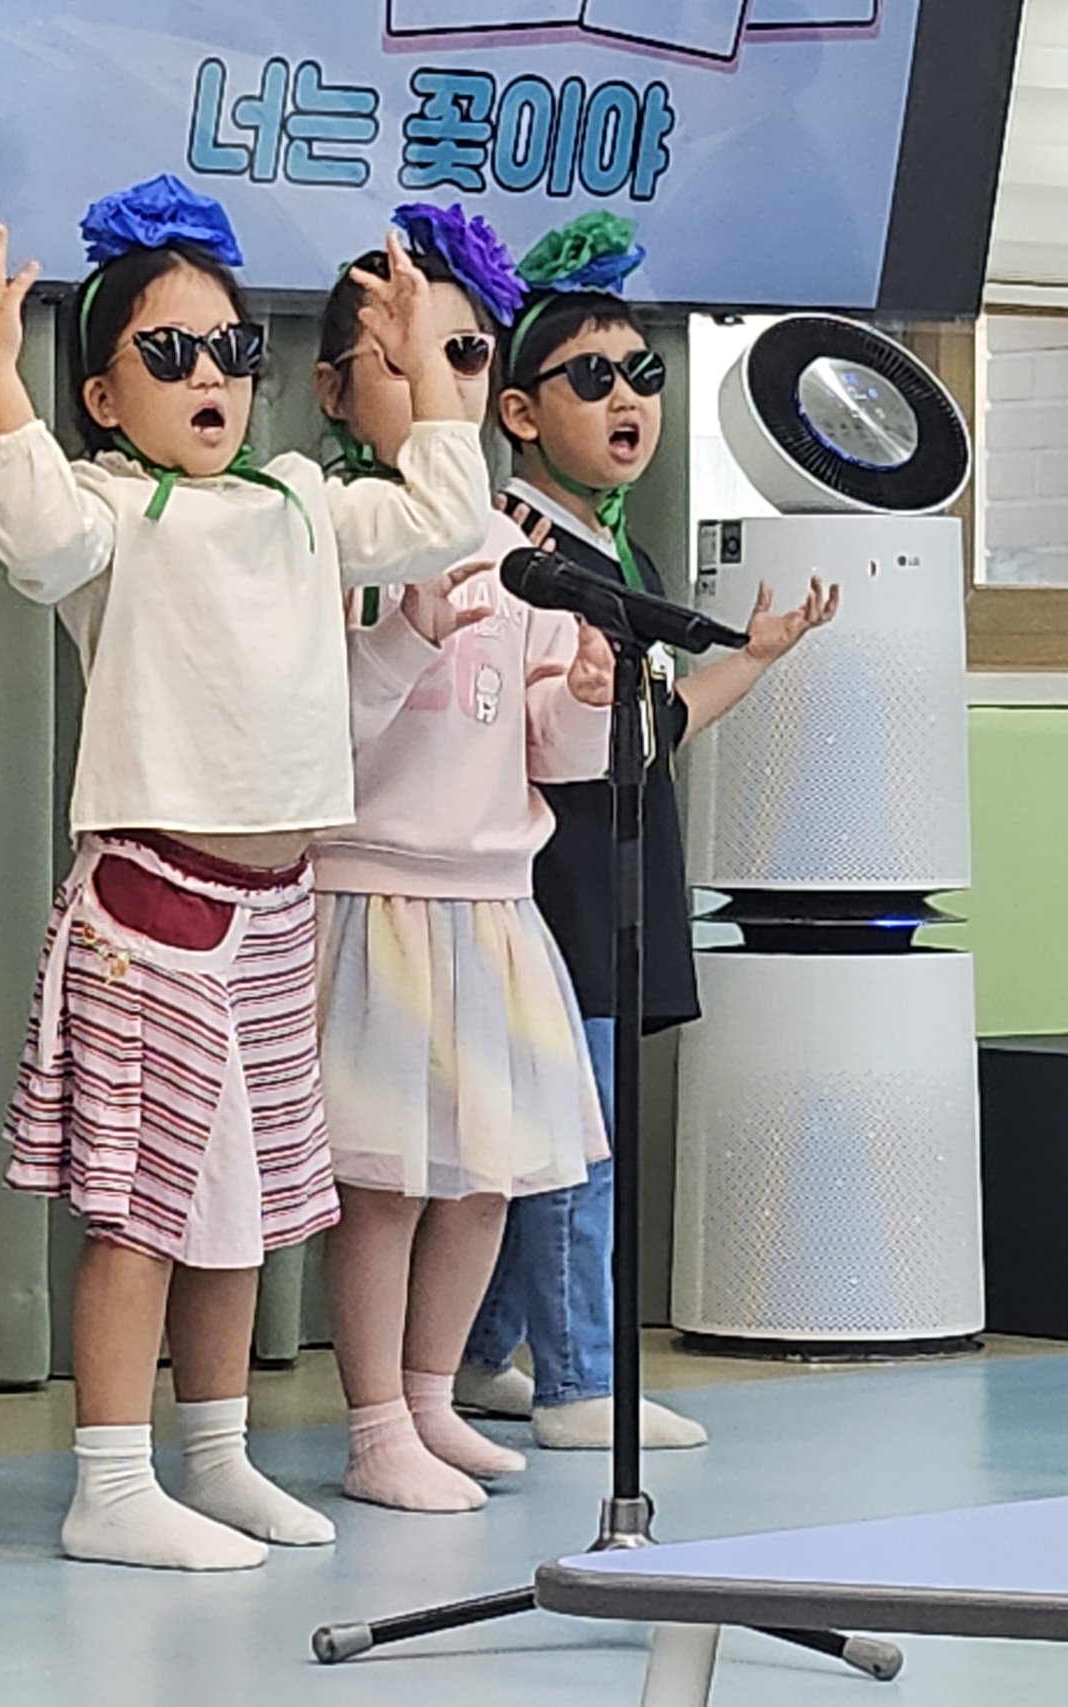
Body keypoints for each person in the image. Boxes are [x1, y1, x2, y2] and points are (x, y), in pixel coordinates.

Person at [0, 175, 491, 1571]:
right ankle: (109, 1478)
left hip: (272, 910)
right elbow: (28, 536)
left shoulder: (300, 498)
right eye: (171, 351)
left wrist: (425, 365)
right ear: (102, 395)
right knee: (143, 1208)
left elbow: (446, 517)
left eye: (233, 348)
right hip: (153, 907)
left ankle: (215, 1453)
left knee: (243, 1206)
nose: (212, 374)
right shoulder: (107, 506)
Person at [457, 213, 838, 1451]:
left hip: (616, 863)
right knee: (574, 1140)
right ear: (519, 412)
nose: (628, 399)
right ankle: (576, 1382)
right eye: (592, 378)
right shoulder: (517, 550)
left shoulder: (613, 551)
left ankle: (481, 1355)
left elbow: (651, 728)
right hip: (550, 881)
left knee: (574, 1129)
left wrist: (757, 658)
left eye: (642, 373)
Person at [312, 204, 614, 1515]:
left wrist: (587, 695)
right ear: (334, 388)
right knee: (382, 1186)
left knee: (484, 1176)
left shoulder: (516, 550)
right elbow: (314, 731)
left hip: (494, 904)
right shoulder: (328, 532)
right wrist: (405, 637)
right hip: (371, 892)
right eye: (402, 361)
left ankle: (433, 1396)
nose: (441, 385)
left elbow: (549, 747)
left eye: (464, 356)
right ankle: (373, 1420)